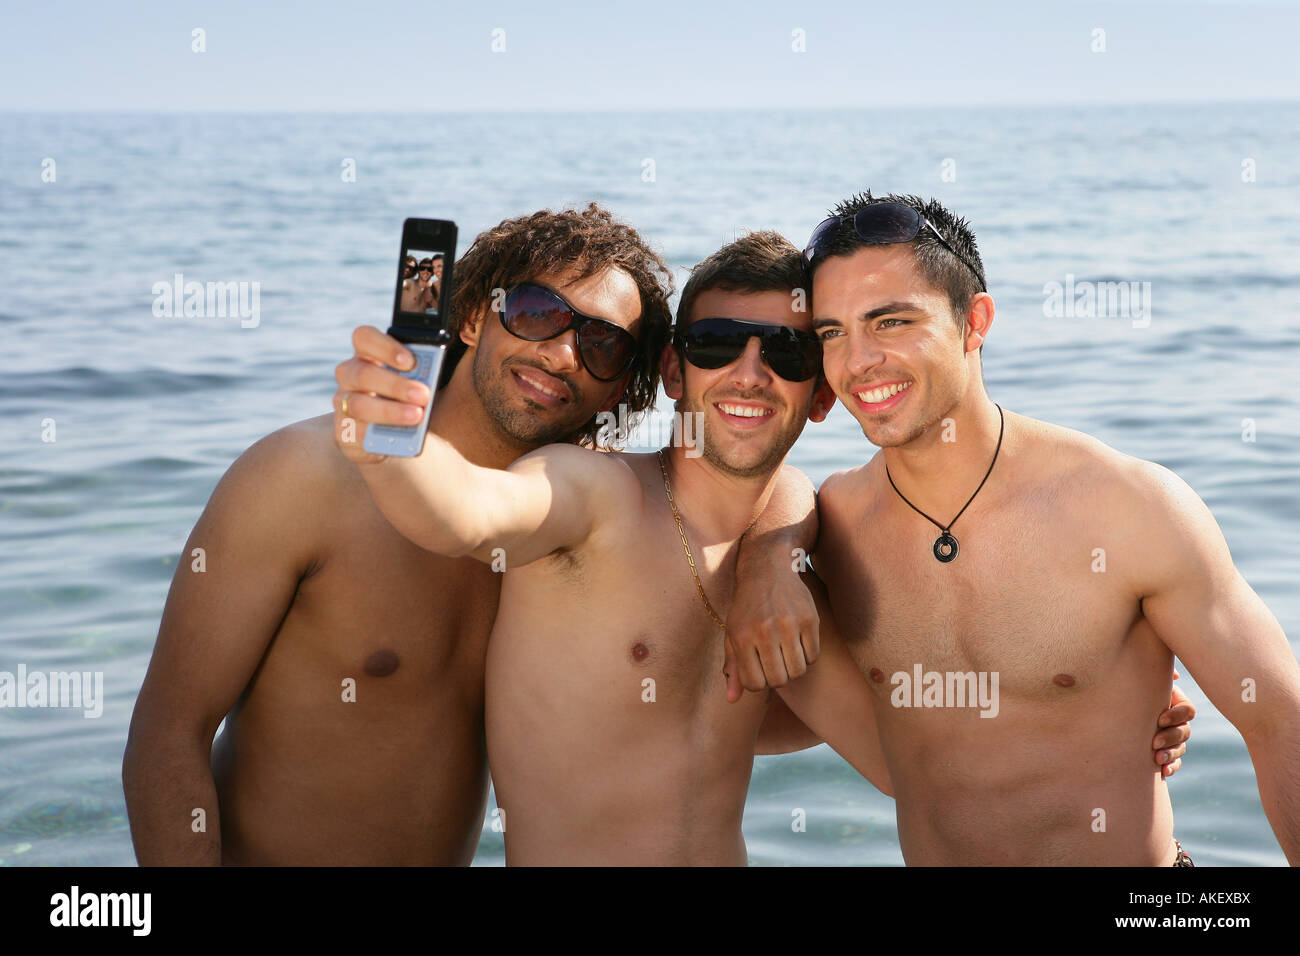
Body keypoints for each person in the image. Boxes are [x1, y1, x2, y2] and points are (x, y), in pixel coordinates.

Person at [333, 230, 1192, 865]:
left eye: (783, 351)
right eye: (715, 346)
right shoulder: (590, 493)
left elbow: (905, 766)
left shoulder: (799, 542)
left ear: (819, 398)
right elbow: (465, 513)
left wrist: (1100, 719)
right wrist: (393, 438)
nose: (748, 374)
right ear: (674, 373)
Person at [727, 191, 1300, 866]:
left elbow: (1278, 724)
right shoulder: (838, 526)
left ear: (976, 321)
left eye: (890, 322)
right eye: (832, 333)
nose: (857, 363)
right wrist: (767, 556)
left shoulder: (1127, 507)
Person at [122, 204, 676, 864]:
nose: (561, 354)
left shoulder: (578, 532)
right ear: (471, 316)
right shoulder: (302, 479)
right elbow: (167, 737)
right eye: (535, 311)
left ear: (617, 391)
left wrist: (769, 560)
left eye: (602, 345)